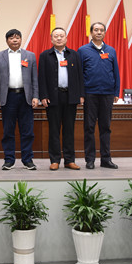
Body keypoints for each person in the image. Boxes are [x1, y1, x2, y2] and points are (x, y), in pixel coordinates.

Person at [38, 27, 84, 171]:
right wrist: (43, 96)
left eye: (61, 36)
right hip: (53, 97)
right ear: (51, 39)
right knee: (54, 130)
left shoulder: (74, 55)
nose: (59, 38)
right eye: (56, 36)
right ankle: (55, 160)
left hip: (70, 96)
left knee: (69, 129)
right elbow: (41, 77)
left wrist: (81, 94)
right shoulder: (45, 55)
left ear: (66, 38)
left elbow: (80, 75)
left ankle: (69, 160)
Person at [0, 28, 39, 170]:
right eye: (11, 38)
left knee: (27, 131)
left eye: (17, 38)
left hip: (26, 97)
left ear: (21, 40)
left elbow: (34, 78)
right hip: (8, 97)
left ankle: (27, 160)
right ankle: (9, 160)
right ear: (7, 41)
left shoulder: (30, 56)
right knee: (8, 131)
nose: (14, 40)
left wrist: (36, 96)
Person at [78, 22, 120, 169]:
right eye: (96, 30)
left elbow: (116, 72)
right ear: (91, 32)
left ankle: (106, 159)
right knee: (89, 127)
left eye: (101, 30)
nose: (99, 32)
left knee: (105, 127)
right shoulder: (82, 50)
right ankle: (90, 160)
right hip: (90, 94)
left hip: (107, 94)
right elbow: (79, 74)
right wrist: (81, 94)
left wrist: (116, 92)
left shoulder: (111, 50)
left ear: (105, 33)